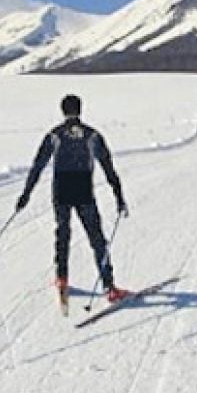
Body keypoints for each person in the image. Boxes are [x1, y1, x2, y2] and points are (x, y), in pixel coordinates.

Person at [16, 94, 129, 306]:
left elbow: (38, 165)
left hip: (61, 189)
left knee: (63, 234)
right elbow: (108, 167)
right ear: (80, 109)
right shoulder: (92, 135)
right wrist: (119, 196)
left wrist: (26, 194)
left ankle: (62, 278)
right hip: (83, 188)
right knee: (96, 238)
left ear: (63, 110)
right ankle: (109, 286)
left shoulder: (55, 135)